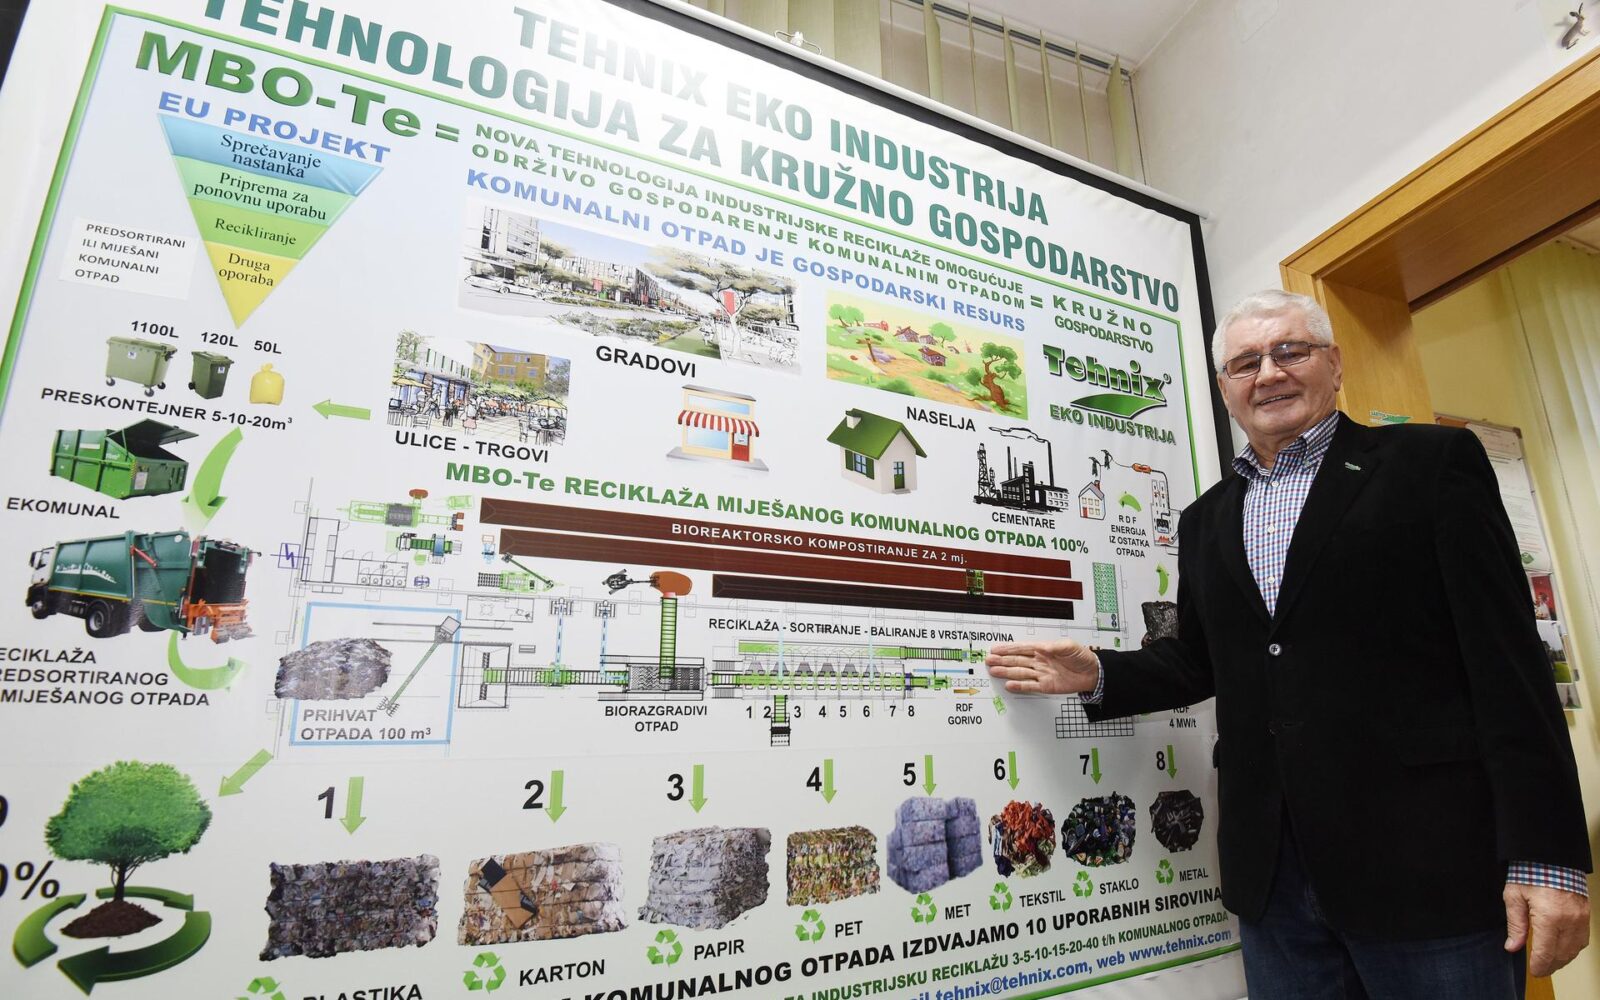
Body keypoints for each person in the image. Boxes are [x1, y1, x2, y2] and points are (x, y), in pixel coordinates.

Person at [987, 290, 1590, 998]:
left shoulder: (1430, 465)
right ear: (1225, 391)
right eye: (1246, 363)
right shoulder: (1206, 519)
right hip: (1275, 883)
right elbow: (1202, 659)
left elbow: (1508, 662)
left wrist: (1548, 858)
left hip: (1427, 871)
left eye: (1289, 351)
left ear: (1334, 363)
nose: (1268, 373)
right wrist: (1097, 673)